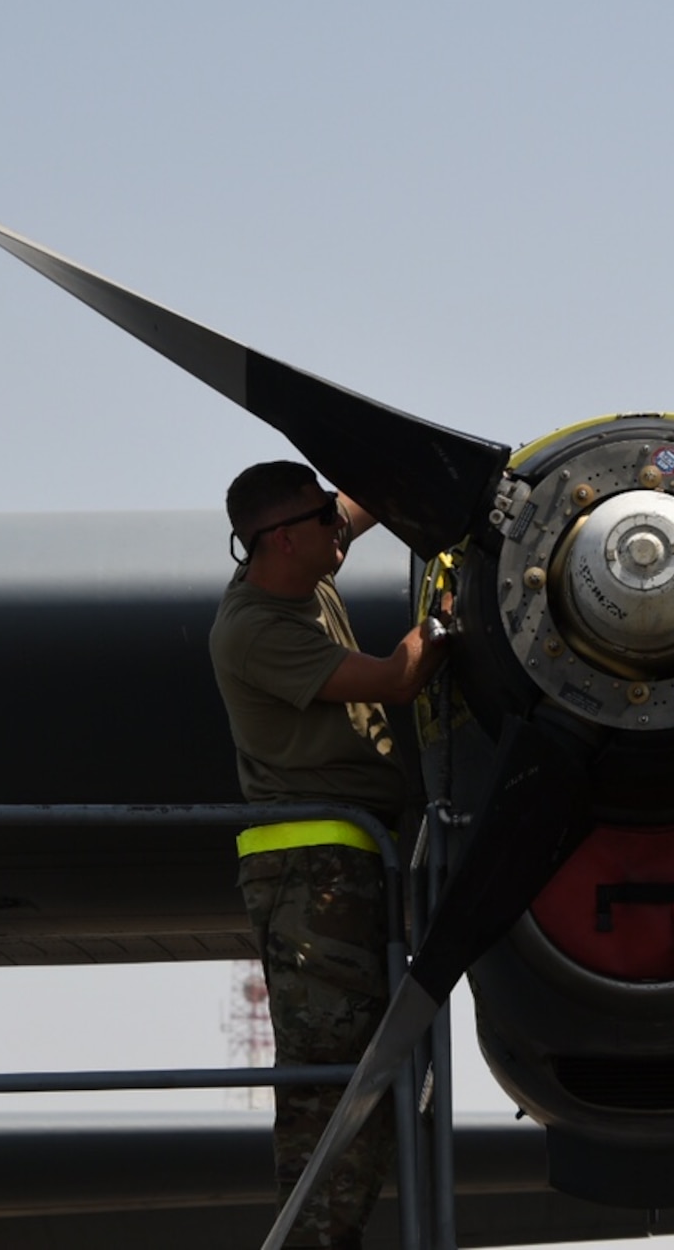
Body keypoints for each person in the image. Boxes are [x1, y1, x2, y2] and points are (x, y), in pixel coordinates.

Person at [209, 459, 450, 1248]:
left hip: (350, 861)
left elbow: (361, 502)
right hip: (312, 876)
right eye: (323, 522)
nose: (338, 528)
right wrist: (448, 615)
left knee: (372, 1075)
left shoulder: (300, 575)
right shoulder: (256, 629)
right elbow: (395, 679)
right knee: (334, 1086)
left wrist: (432, 481)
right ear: (280, 540)